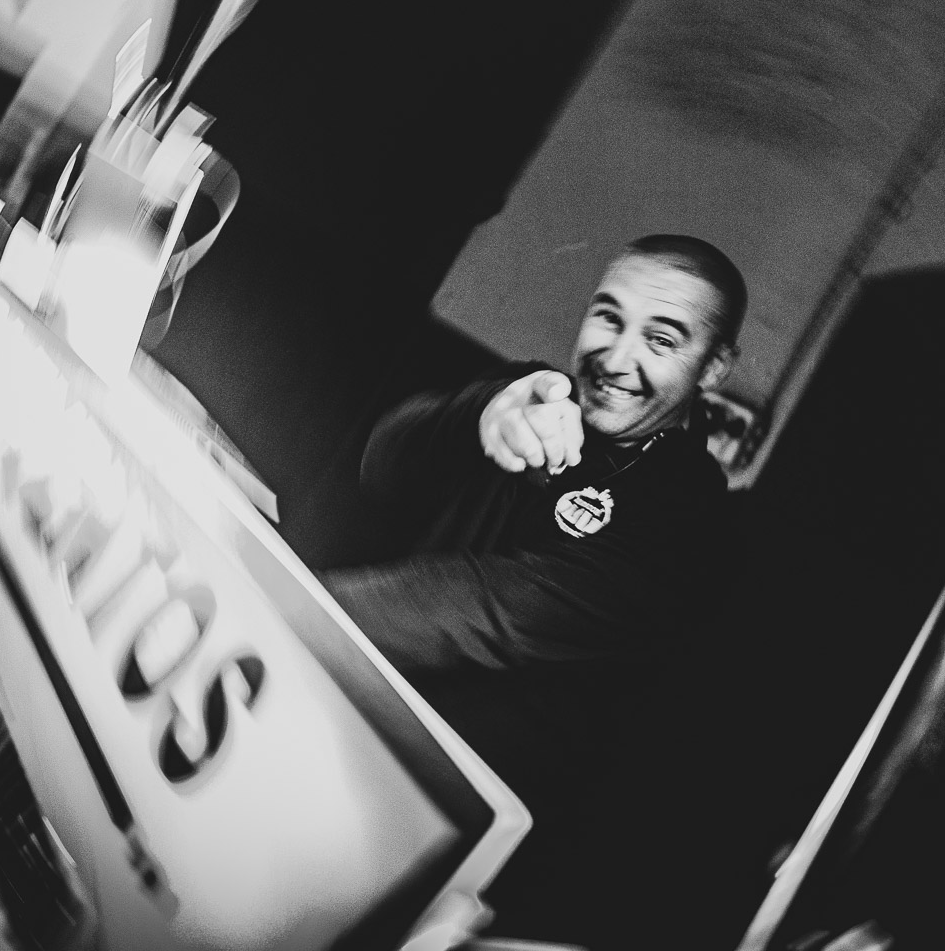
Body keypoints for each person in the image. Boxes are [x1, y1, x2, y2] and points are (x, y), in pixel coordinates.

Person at [319, 234, 747, 795]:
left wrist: (280, 603)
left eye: (661, 340)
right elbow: (381, 467)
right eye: (609, 318)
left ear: (713, 367)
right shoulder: (536, 393)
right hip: (337, 699)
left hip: (440, 791)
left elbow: (474, 608)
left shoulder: (687, 519)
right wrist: (475, 416)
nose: (616, 360)